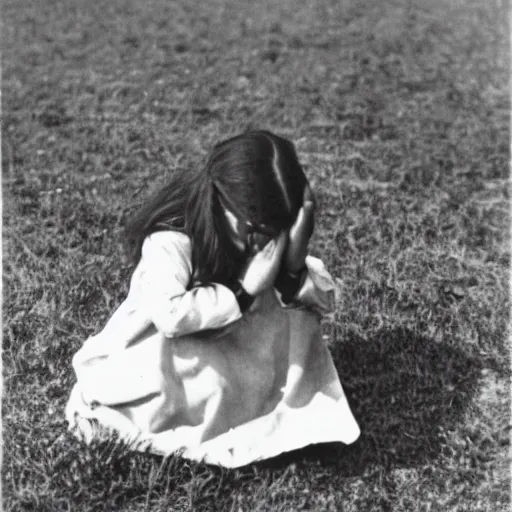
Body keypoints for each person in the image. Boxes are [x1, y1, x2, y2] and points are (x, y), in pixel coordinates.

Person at [66, 130, 360, 468]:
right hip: (172, 359)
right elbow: (169, 315)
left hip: (238, 358)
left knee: (293, 306)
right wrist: (242, 290)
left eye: (274, 229)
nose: (259, 241)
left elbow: (324, 304)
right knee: (174, 395)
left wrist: (293, 265)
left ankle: (262, 405)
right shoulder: (172, 237)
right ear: (220, 201)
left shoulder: (264, 237)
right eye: (252, 227)